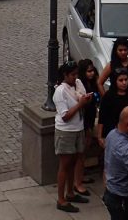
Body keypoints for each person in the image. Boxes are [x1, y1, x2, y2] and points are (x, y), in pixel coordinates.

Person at [53, 60, 93, 213]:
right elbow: (65, 116)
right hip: (66, 131)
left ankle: (70, 193)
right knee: (65, 165)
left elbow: (82, 99)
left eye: (76, 74)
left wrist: (86, 100)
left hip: (78, 128)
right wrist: (81, 104)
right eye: (72, 75)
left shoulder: (77, 83)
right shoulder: (60, 92)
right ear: (65, 75)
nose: (75, 77)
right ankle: (61, 199)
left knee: (74, 161)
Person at [97, 68, 128, 150]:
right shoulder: (108, 96)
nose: (124, 83)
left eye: (126, 80)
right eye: (121, 80)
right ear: (115, 81)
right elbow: (102, 117)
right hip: (112, 132)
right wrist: (100, 136)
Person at [75, 58, 101, 194]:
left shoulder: (93, 83)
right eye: (88, 71)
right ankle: (77, 179)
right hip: (84, 121)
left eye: (92, 71)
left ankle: (80, 175)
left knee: (85, 150)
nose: (91, 74)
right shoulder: (82, 86)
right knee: (81, 151)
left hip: (90, 119)